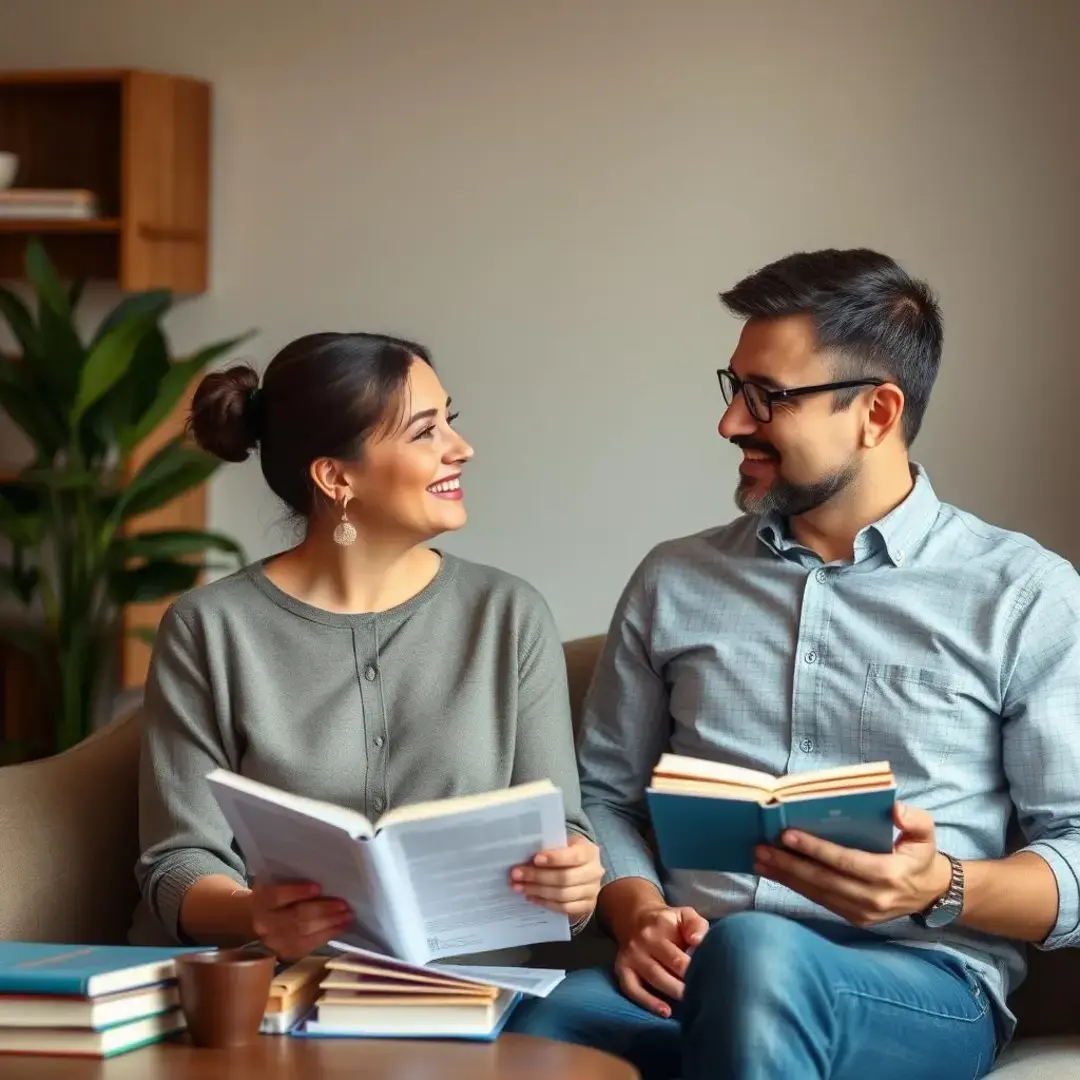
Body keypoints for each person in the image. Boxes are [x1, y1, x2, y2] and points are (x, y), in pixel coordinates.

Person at [505, 249, 1080, 1079]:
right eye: (732, 388)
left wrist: (937, 885)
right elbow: (606, 798)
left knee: (757, 956)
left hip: (919, 987)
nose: (732, 423)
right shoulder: (675, 579)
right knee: (511, 1030)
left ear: (876, 412)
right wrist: (640, 917)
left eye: (767, 397)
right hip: (688, 977)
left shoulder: (1023, 593)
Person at [129, 331, 603, 962]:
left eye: (450, 423)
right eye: (424, 432)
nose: (461, 449)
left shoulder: (508, 615)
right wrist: (254, 914)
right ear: (335, 477)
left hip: (478, 998)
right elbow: (178, 860)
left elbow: (563, 829)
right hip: (279, 993)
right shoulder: (208, 627)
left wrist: (573, 880)